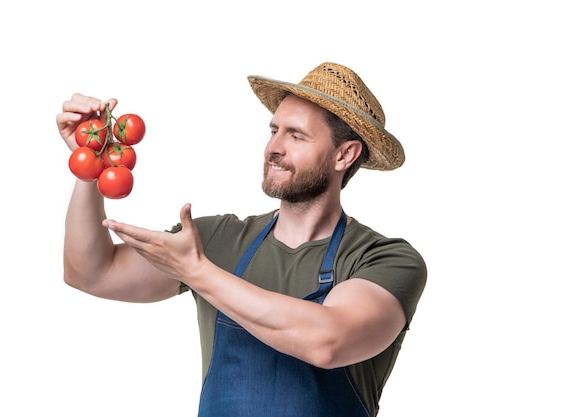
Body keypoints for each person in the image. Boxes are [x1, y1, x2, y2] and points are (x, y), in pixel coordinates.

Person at [56, 62, 427, 417]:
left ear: (344, 155)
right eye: (273, 130)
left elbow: (328, 342)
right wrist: (91, 163)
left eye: (295, 135)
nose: (273, 148)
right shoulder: (217, 239)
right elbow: (90, 273)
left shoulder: (384, 260)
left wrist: (197, 272)